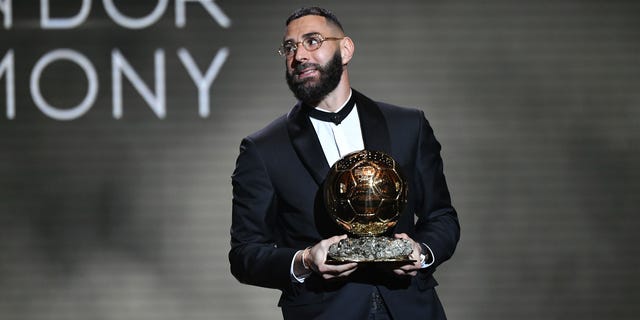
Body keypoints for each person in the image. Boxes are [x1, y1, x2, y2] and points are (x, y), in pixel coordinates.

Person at [229, 7, 460, 320]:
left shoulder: (408, 126)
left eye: (312, 41)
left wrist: (422, 252)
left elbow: (442, 217)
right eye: (290, 47)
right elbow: (244, 254)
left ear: (346, 48)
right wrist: (305, 259)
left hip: (413, 309)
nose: (299, 56)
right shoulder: (263, 149)